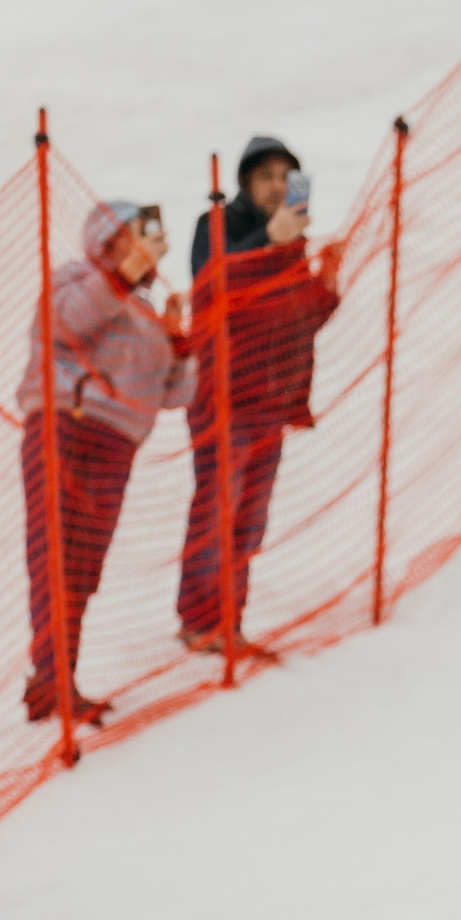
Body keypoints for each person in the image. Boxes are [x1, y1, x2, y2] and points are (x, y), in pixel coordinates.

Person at [16, 200, 193, 725]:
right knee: (55, 548)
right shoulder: (77, 279)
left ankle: (59, 676)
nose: (142, 246)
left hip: (117, 443)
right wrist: (119, 277)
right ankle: (50, 677)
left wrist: (182, 344)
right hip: (66, 421)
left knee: (84, 563)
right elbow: (64, 322)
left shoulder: (146, 308)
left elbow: (175, 394)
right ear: (105, 240)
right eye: (131, 235)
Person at [179, 135, 343, 659]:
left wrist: (327, 280)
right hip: (224, 397)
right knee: (218, 507)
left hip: (273, 398)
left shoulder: (290, 242)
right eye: (267, 175)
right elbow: (213, 284)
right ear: (247, 182)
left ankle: (229, 618)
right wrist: (269, 241)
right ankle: (200, 620)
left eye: (285, 176)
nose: (277, 185)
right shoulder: (218, 224)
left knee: (251, 514)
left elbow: (300, 316)